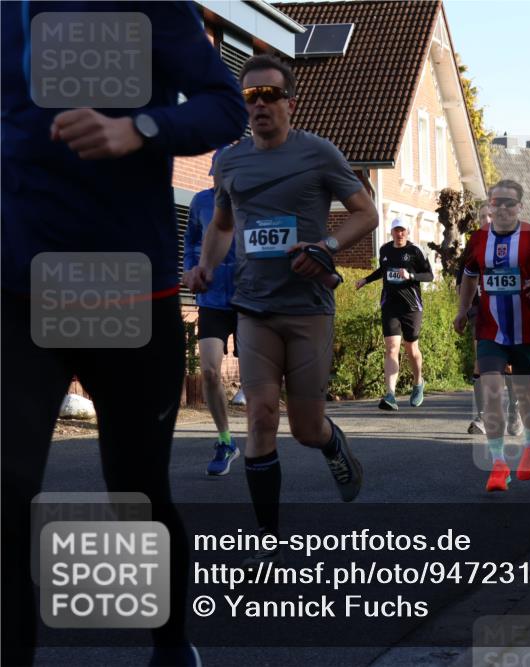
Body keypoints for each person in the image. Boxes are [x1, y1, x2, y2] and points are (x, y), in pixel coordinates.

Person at [1, 3, 247, 664]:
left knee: (135, 489)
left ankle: (170, 644)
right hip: (20, 288)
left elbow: (227, 106)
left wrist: (139, 128)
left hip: (127, 288)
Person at [184, 55, 378, 564]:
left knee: (306, 428)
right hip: (253, 307)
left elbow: (366, 213)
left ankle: (335, 446)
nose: (261, 104)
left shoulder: (319, 153)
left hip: (309, 308)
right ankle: (268, 538)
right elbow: (223, 225)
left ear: (291, 103)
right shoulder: (229, 162)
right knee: (262, 416)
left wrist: (328, 246)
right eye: (251, 96)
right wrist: (206, 265)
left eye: (271, 95)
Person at [454, 179, 530, 492]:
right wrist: (462, 310)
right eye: (497, 203)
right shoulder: (477, 239)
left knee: (524, 396)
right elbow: (469, 275)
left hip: (526, 330)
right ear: (490, 206)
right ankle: (499, 464)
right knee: (491, 391)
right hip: (490, 328)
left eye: (509, 203)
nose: (502, 208)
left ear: (520, 207)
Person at [184, 155, 242, 475]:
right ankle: (225, 440)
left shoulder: (254, 202)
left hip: (249, 298)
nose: (222, 179)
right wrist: (191, 268)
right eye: (218, 173)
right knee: (208, 371)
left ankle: (264, 444)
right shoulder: (201, 202)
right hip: (212, 298)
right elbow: (192, 239)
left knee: (257, 378)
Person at [356, 219, 433, 410]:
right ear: (391, 232)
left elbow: (429, 275)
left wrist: (411, 276)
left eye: (403, 231)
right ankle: (390, 394)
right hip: (390, 305)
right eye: (396, 231)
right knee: (391, 348)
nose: (400, 234)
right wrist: (365, 280)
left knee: (411, 349)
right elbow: (383, 270)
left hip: (411, 307)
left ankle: (418, 383)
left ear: (407, 232)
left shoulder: (415, 251)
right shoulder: (385, 250)